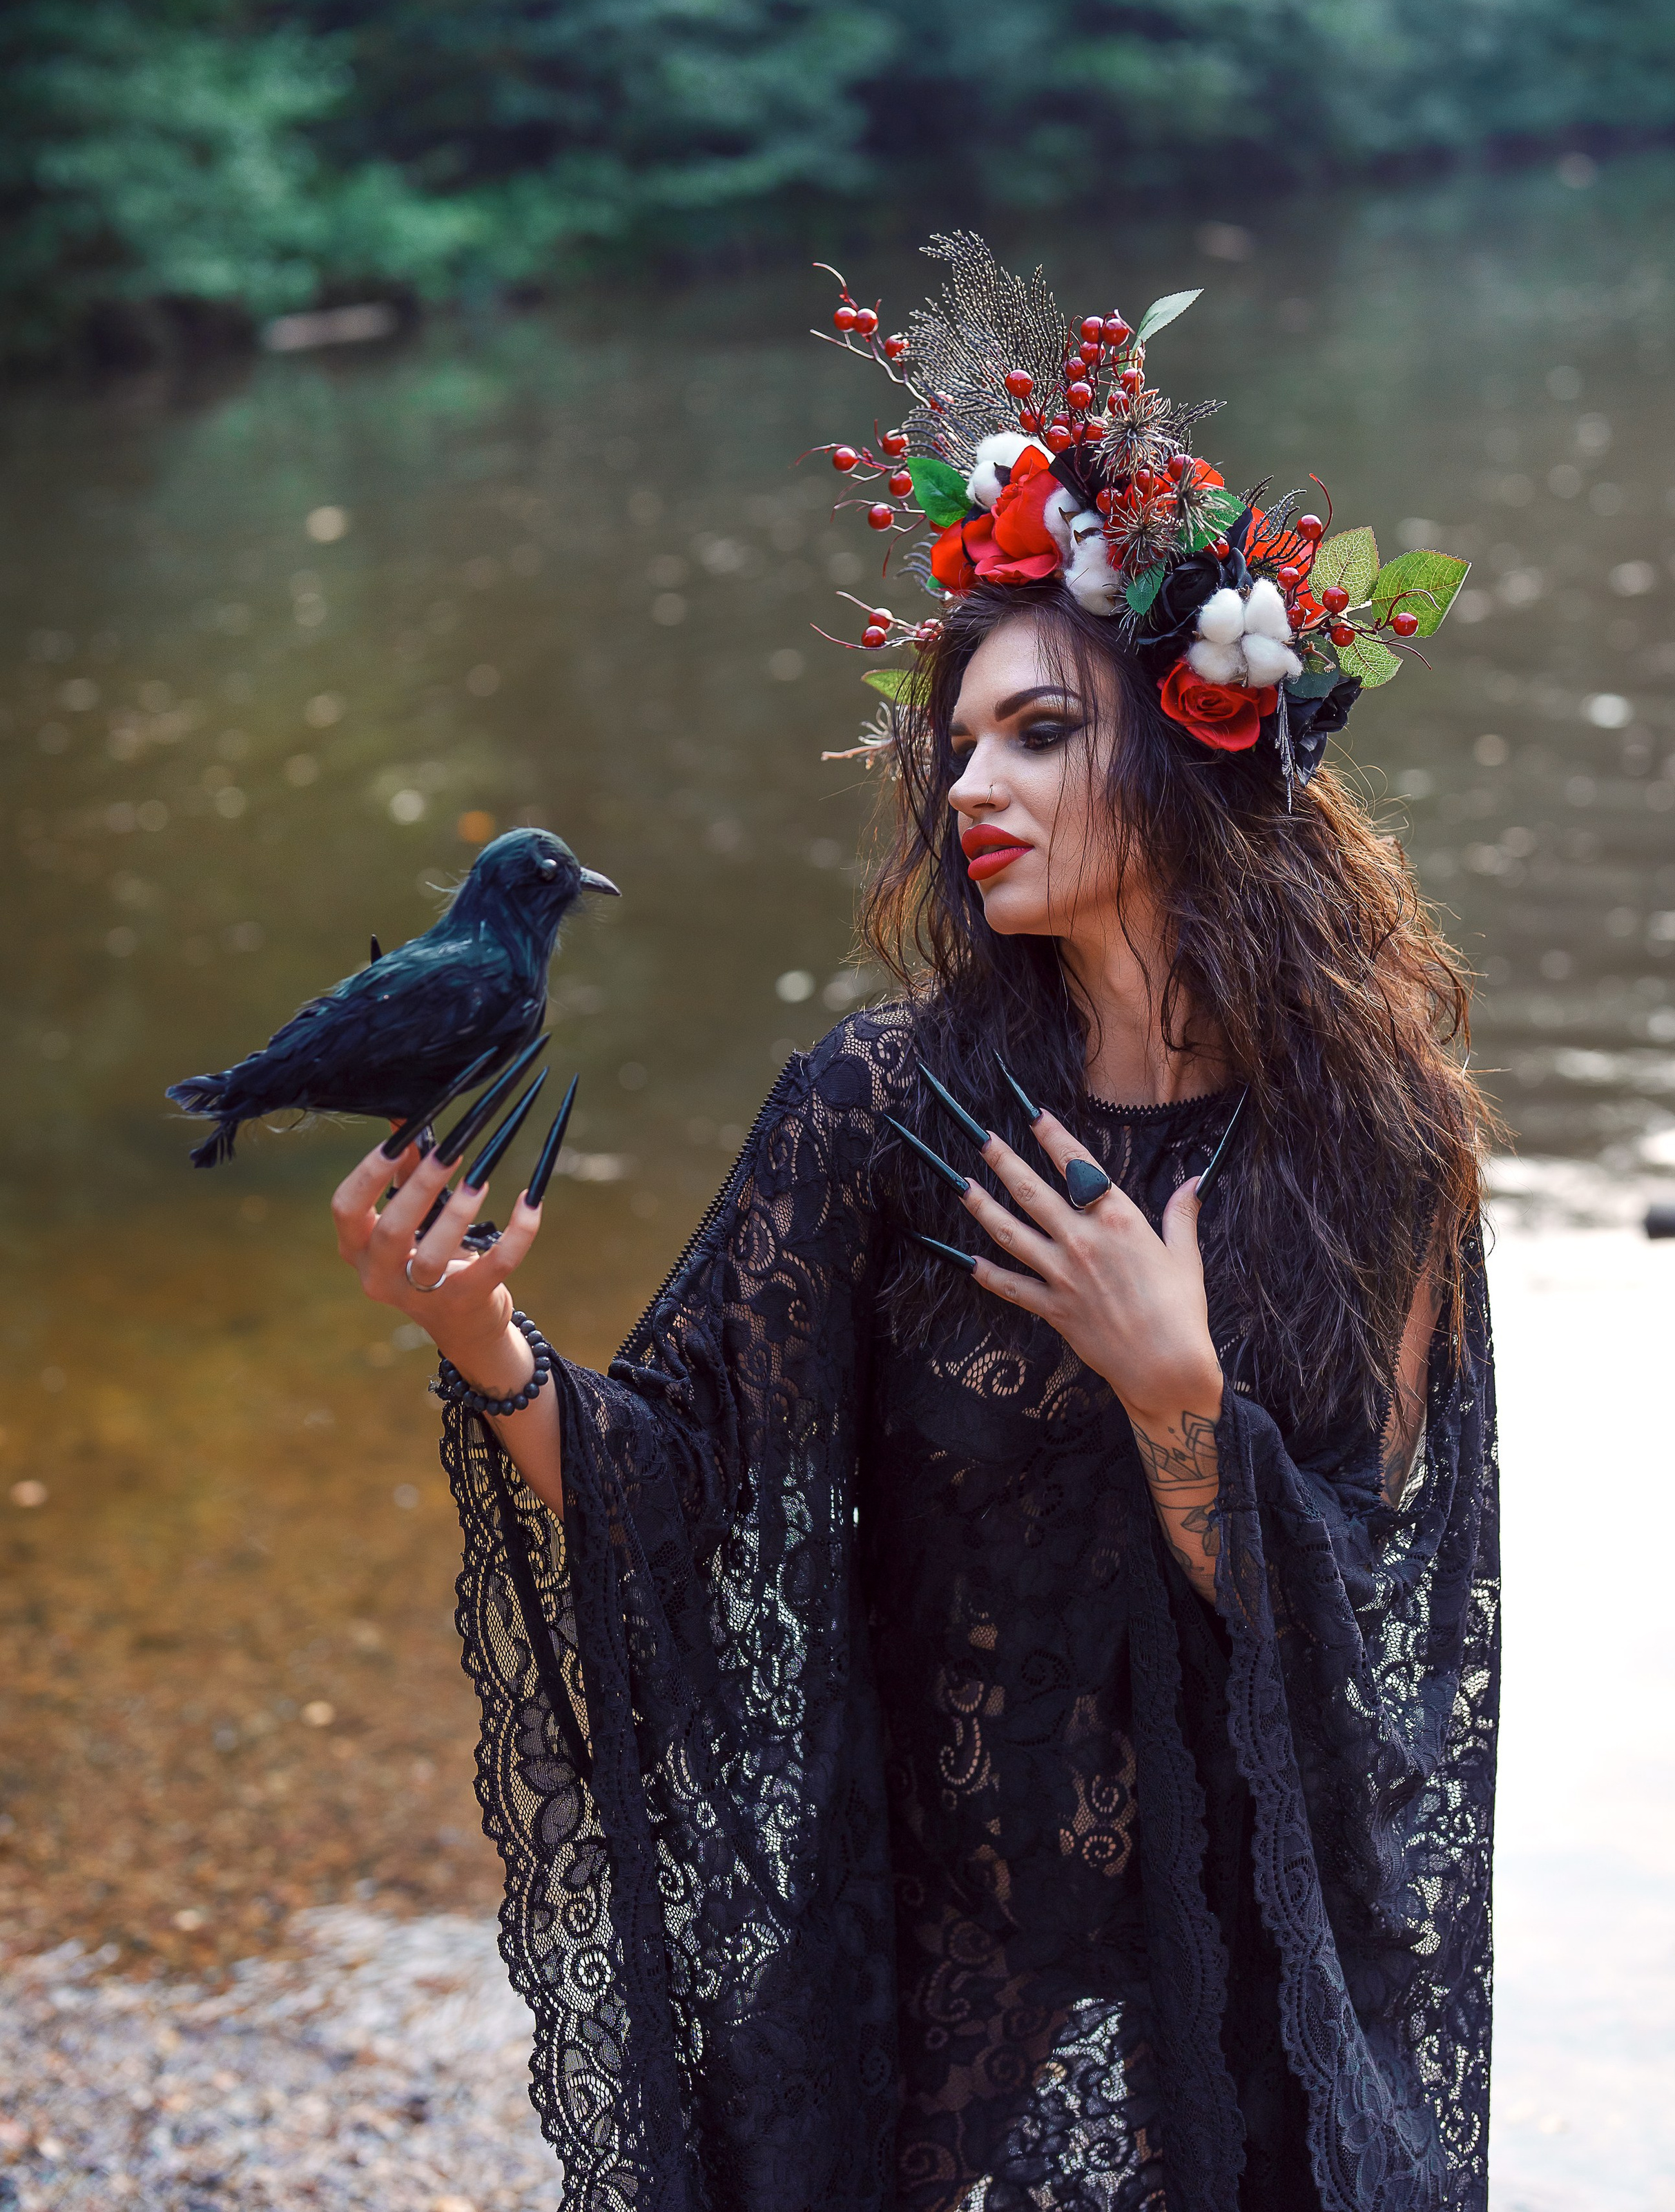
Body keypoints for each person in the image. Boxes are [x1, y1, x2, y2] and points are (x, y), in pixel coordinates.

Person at [329, 239, 1496, 2212]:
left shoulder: (1377, 1143)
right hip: (944, 1961)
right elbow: (674, 1485)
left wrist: (1174, 1388)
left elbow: (1365, 1643)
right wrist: (485, 1343)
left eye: (1039, 730)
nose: (974, 779)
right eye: (957, 740)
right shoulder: (884, 1109)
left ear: (1203, 730)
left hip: (1249, 1956)